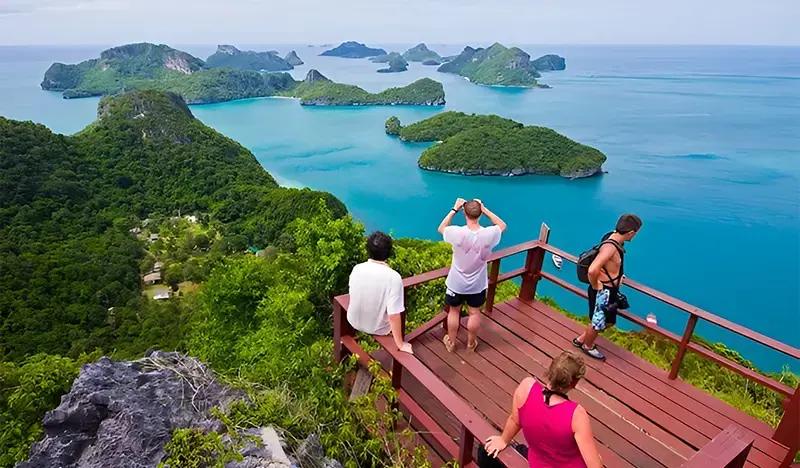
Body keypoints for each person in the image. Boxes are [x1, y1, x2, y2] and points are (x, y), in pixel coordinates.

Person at [484, 351, 602, 468]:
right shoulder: (576, 415)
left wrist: (503, 440)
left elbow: (515, 420)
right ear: (574, 383)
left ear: (550, 372)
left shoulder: (526, 388)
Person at [438, 198, 506, 353]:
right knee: (474, 313)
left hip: (456, 283)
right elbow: (502, 225)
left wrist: (454, 209)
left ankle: (452, 342)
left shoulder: (458, 233)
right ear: (480, 213)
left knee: (454, 311)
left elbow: (441, 228)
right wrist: (485, 209)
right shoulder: (489, 234)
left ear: (464, 213)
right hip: (477, 284)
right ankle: (470, 343)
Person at [574, 214, 642, 360]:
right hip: (603, 291)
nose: (635, 236)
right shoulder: (610, 247)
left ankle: (581, 339)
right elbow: (593, 269)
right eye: (635, 233)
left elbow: (608, 266)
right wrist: (597, 286)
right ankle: (588, 346)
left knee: (606, 320)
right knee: (599, 321)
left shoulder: (612, 238)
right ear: (631, 232)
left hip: (608, 290)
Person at [347, 231, 413, 353]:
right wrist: (400, 344)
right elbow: (393, 315)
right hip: (378, 328)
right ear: (389, 253)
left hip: (353, 320)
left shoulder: (357, 269)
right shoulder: (393, 277)